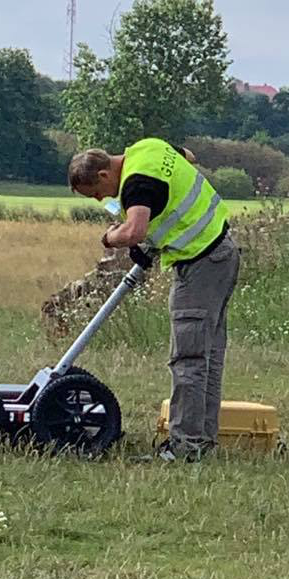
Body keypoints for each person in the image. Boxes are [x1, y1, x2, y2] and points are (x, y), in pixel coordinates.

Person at [67, 137, 240, 462]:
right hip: (221, 251)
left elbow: (133, 231)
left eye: (97, 193)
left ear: (104, 175)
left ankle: (184, 448)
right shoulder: (148, 148)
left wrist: (109, 236)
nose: (102, 198)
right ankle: (201, 441)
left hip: (200, 262)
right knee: (207, 356)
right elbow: (187, 157)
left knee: (188, 358)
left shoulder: (135, 185)